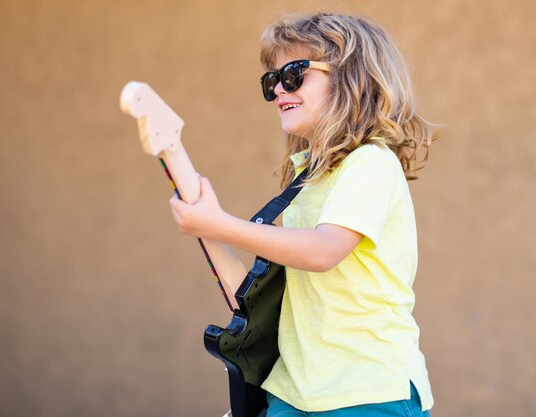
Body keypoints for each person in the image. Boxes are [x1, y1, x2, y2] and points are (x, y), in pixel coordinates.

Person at [170, 12, 438, 417]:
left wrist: (221, 223)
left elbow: (323, 251)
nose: (278, 87)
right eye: (271, 80)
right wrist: (210, 230)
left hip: (367, 391)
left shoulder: (370, 162)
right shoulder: (307, 178)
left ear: (353, 79)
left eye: (294, 73)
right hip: (295, 392)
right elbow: (275, 292)